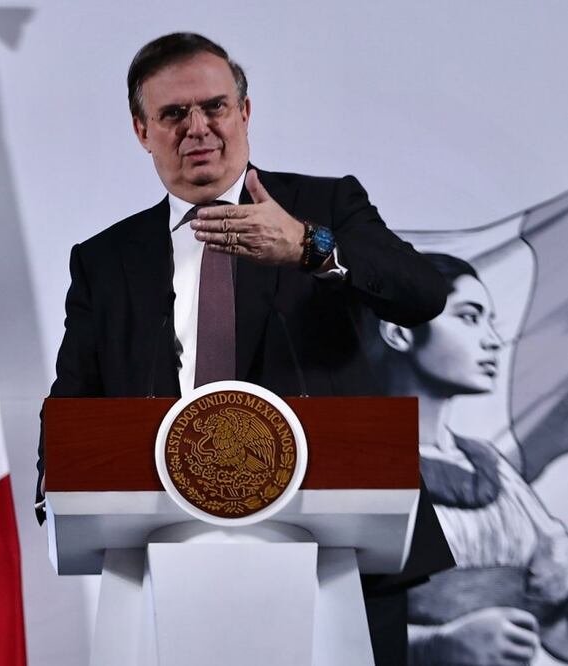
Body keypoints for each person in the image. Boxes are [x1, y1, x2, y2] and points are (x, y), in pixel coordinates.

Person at [37, 32, 454, 665]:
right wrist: (55, 482)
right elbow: (73, 401)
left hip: (339, 544)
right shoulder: (105, 259)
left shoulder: (322, 205)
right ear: (141, 130)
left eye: (215, 107)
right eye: (174, 114)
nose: (197, 127)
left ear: (245, 113)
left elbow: (422, 293)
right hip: (162, 548)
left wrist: (311, 248)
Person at [372, 253, 568, 665]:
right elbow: (323, 613)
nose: (494, 339)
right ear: (399, 333)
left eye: (490, 319)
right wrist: (431, 645)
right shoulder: (355, 457)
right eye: (469, 316)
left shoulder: (488, 462)